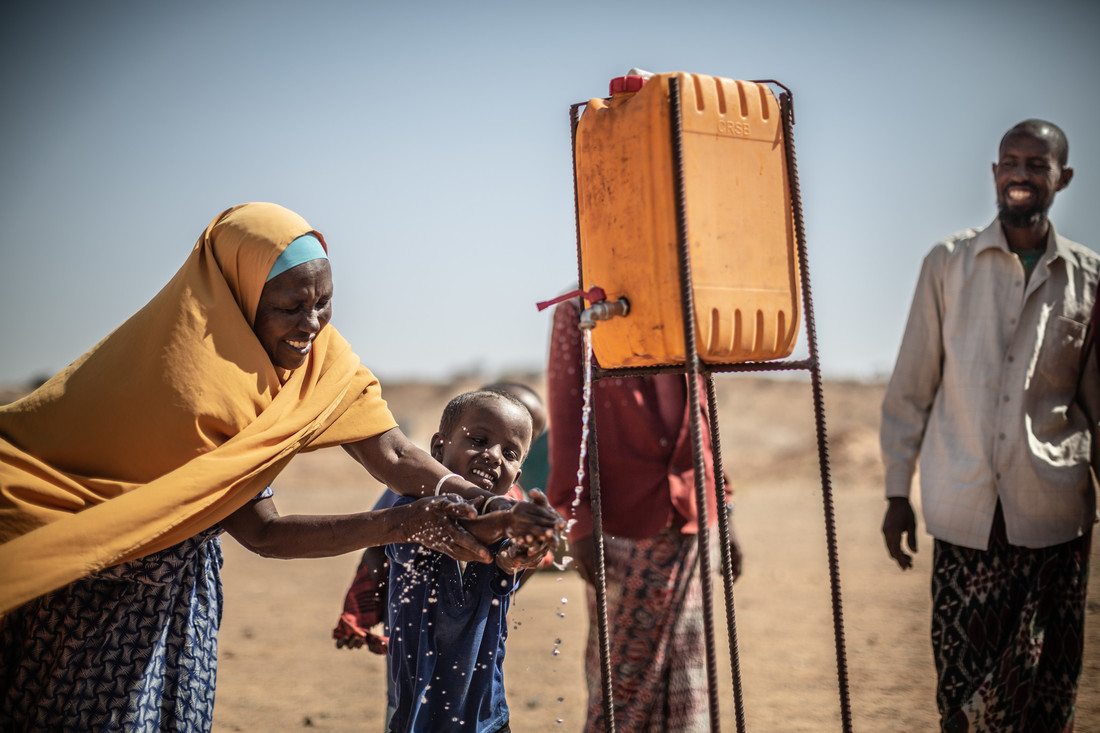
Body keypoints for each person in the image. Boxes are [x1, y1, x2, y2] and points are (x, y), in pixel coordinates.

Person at [0, 202, 560, 731]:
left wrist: (489, 505)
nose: (312, 324)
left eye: (324, 303)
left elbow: (393, 455)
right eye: (290, 307)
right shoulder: (193, 387)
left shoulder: (322, 362)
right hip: (92, 586)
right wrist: (403, 525)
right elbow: (262, 531)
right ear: (237, 298)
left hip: (178, 592)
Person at [880, 119, 1099, 731]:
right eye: (1011, 161)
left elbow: (1095, 402)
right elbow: (910, 389)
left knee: (1043, 702)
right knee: (964, 697)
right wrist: (898, 494)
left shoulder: (1088, 278)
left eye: (1037, 164)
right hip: (963, 517)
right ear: (996, 171)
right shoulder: (947, 264)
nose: (1021, 175)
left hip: (1054, 519)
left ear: (1064, 177)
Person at [545, 296, 743, 733]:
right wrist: (578, 522)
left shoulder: (681, 295)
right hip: (622, 526)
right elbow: (567, 416)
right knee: (623, 685)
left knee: (690, 673)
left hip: (693, 519)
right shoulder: (580, 309)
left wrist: (722, 506)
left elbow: (703, 413)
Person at [385, 388, 563, 733]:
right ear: (438, 448)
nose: (494, 456)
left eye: (510, 453)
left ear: (517, 476)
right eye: (480, 440)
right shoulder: (409, 514)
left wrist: (524, 552)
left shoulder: (506, 530)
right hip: (418, 719)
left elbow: (509, 558)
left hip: (488, 719)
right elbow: (430, 535)